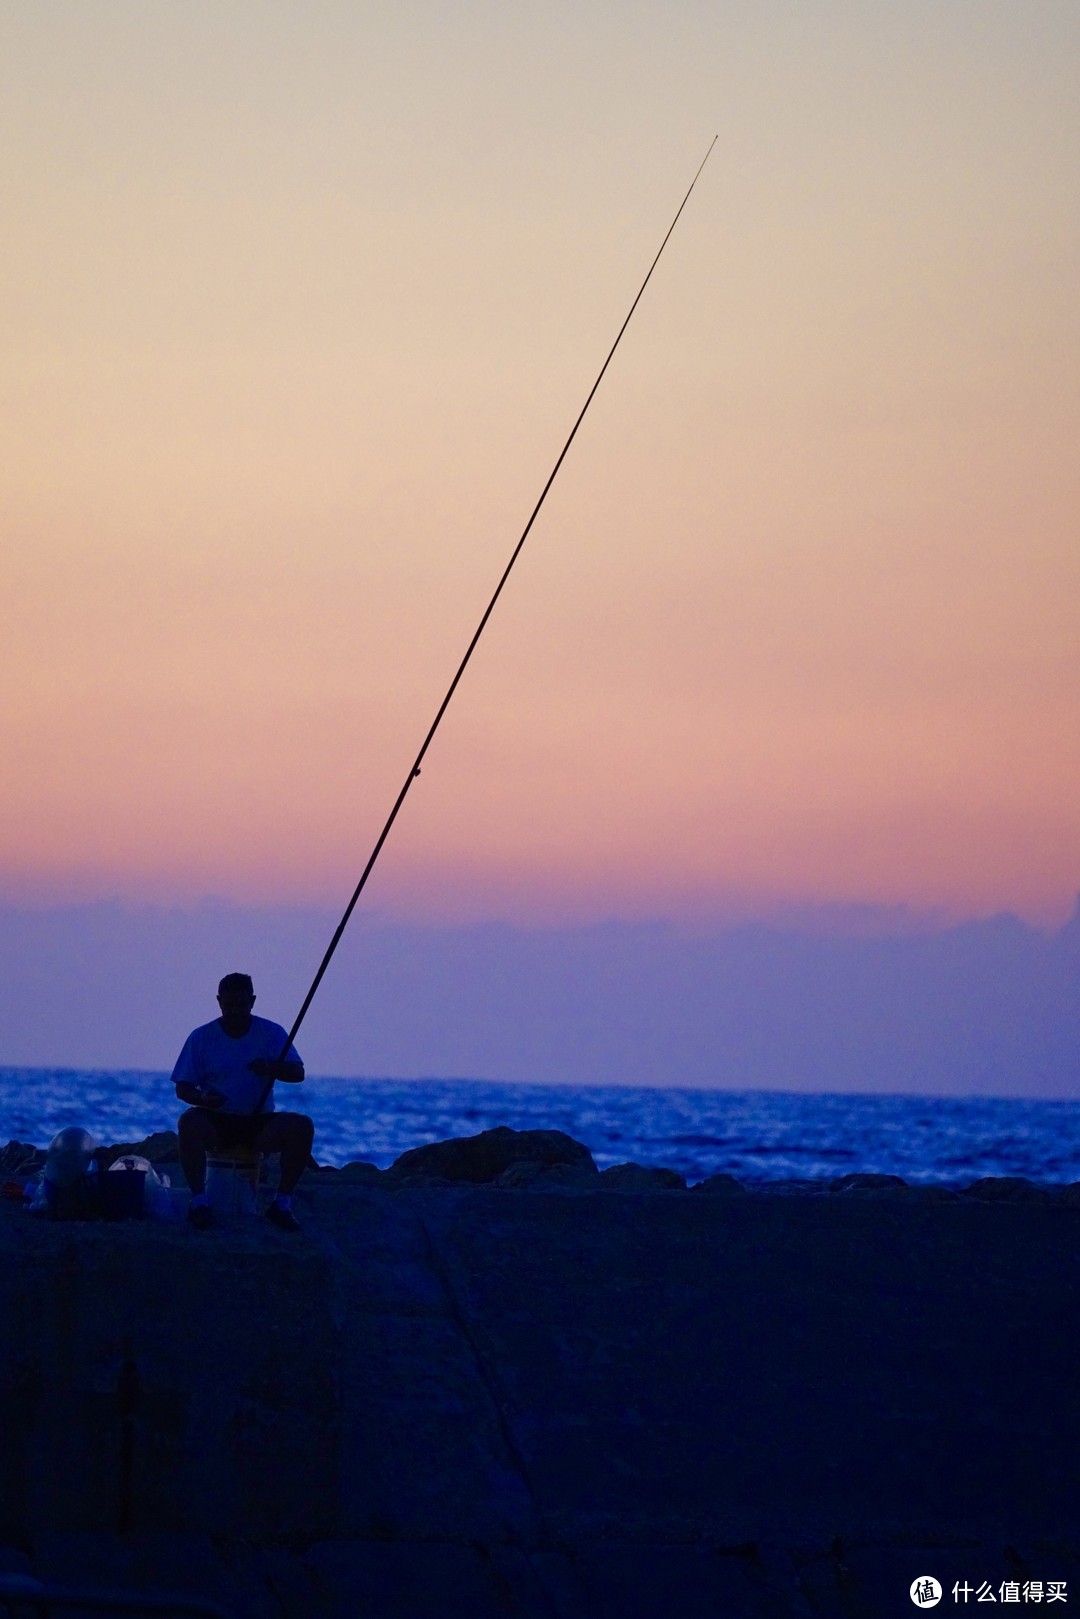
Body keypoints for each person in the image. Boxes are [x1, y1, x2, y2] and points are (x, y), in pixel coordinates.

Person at [172, 972, 314, 1233]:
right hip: (218, 1119)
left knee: (302, 1126)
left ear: (253, 1001)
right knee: (189, 1121)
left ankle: (281, 1203)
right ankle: (199, 1201)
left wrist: (272, 1067)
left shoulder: (271, 1033)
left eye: (241, 1005)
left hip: (258, 1121)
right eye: (229, 1006)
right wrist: (203, 1099)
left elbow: (298, 1073)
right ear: (218, 1002)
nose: (235, 1011)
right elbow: (182, 1087)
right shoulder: (201, 1037)